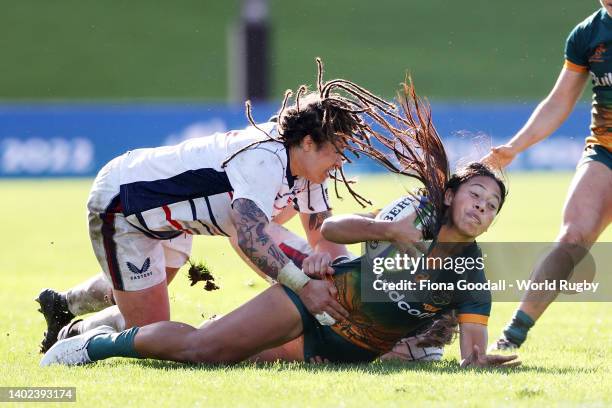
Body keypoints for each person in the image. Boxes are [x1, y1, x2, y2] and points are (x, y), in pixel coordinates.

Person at [41, 82, 519, 369]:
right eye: (335, 150)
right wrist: (304, 284)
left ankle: (66, 306)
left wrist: (349, 290)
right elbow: (249, 236)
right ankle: (79, 338)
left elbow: (324, 238)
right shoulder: (265, 158)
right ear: (308, 142)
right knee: (156, 328)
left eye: (490, 204)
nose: (340, 161)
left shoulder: (307, 176)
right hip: (127, 205)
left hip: (178, 221)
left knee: (159, 309)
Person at [483, 2, 612, 350]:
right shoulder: (587, 35)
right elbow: (559, 102)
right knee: (572, 236)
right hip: (605, 152)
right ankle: (512, 336)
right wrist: (515, 146)